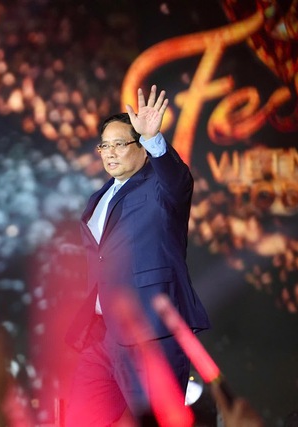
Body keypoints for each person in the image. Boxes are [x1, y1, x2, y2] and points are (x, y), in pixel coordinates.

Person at [64, 85, 210, 426]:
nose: (110, 152)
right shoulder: (99, 197)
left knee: (156, 421)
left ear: (141, 148)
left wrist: (154, 138)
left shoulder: (160, 188)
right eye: (105, 145)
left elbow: (178, 182)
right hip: (102, 335)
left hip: (149, 330)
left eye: (120, 144)